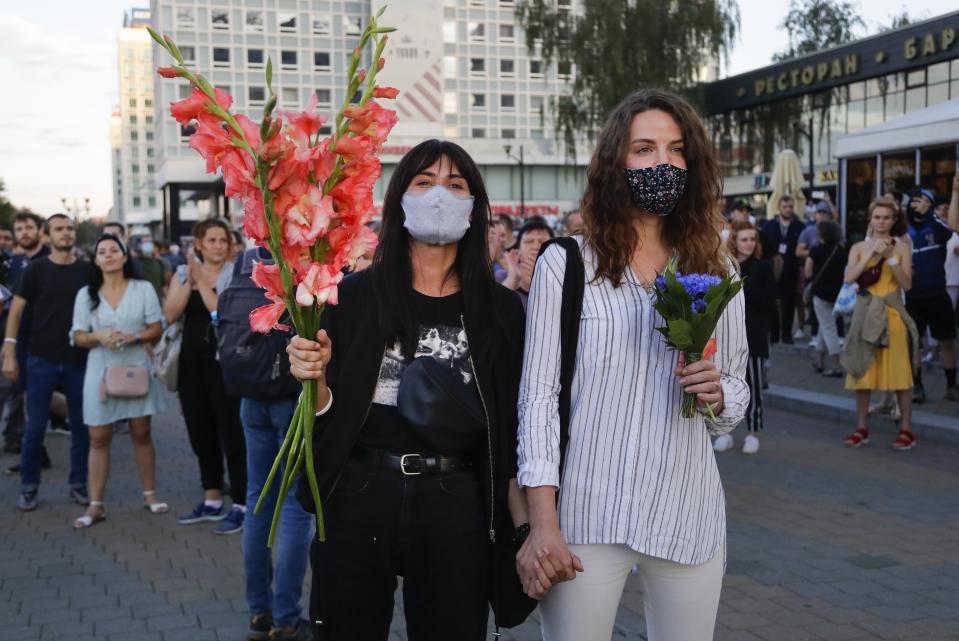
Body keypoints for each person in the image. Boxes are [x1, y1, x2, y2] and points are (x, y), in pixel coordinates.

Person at [516, 90, 749, 641]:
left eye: (675, 149)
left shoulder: (719, 267)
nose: (661, 162)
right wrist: (541, 523)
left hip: (686, 510)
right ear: (617, 162)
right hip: (586, 514)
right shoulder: (568, 263)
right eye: (644, 148)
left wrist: (717, 393)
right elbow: (538, 399)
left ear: (692, 164)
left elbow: (736, 397)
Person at [285, 139, 534, 640]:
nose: (439, 194)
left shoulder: (501, 311)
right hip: (358, 491)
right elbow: (326, 410)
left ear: (474, 206)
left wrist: (525, 525)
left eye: (455, 184)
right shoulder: (353, 295)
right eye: (423, 182)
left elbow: (511, 425)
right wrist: (311, 375)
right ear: (399, 198)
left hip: (457, 500)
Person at [69, 234, 168, 528]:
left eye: (115, 250)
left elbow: (156, 329)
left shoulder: (143, 289)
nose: (109, 255)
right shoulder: (86, 295)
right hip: (100, 372)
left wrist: (133, 337)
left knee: (141, 432)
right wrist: (98, 335)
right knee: (98, 437)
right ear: (96, 260)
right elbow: (77, 336)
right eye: (102, 251)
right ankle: (96, 504)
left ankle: (150, 494)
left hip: (135, 368)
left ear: (125, 257)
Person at [3, 214, 91, 511]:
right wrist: (10, 352)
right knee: (35, 428)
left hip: (79, 361)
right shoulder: (36, 270)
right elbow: (15, 313)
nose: (65, 234)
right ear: (47, 235)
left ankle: (78, 485)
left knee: (81, 428)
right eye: (59, 229)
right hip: (40, 360)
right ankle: (29, 487)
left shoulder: (88, 271)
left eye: (69, 229)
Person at [164, 218, 247, 534]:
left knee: (233, 433)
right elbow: (170, 314)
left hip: (225, 365)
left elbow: (222, 315)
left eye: (222, 240)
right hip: (191, 364)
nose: (217, 245)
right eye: (211, 240)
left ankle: (241, 502)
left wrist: (202, 283)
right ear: (198, 244)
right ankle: (211, 497)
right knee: (200, 431)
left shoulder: (237, 274)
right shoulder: (184, 273)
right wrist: (190, 281)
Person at [841, 198, 918, 450]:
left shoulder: (903, 247)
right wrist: (871, 254)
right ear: (870, 219)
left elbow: (906, 284)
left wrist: (891, 258)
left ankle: (906, 429)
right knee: (862, 372)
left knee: (899, 374)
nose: (881, 221)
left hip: (893, 313)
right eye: (877, 217)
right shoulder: (858, 247)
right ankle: (861, 427)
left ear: (894, 221)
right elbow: (850, 278)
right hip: (865, 313)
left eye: (886, 217)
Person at [714, 221, 773, 455]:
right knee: (722, 385)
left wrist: (741, 285)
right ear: (734, 242)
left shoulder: (763, 267)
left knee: (754, 387)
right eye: (744, 239)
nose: (749, 244)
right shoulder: (724, 266)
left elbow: (769, 302)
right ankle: (724, 432)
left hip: (754, 337)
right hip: (725, 337)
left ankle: (753, 433)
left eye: (752, 239)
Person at [904, 181, 959, 402]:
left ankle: (951, 385)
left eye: (923, 200)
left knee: (946, 341)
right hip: (911, 297)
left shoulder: (936, 224)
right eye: (915, 199)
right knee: (913, 344)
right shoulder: (902, 228)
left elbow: (954, 225)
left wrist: (955, 192)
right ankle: (917, 386)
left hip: (937, 293)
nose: (918, 203)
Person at [804, 220, 847, 377]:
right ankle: (819, 361)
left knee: (828, 328)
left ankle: (836, 365)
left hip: (820, 294)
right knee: (826, 325)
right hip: (837, 295)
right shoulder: (842, 251)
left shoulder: (815, 250)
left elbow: (808, 273)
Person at [761, 195, 805, 343]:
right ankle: (774, 334)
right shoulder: (769, 226)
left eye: (790, 207)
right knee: (772, 303)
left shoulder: (800, 226)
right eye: (785, 207)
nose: (788, 209)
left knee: (789, 303)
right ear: (779, 208)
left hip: (791, 271)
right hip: (771, 271)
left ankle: (786, 334)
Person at [501, 217, 555, 309]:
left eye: (543, 242)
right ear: (518, 249)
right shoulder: (501, 277)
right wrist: (512, 280)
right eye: (529, 241)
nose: (536, 246)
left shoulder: (563, 280)